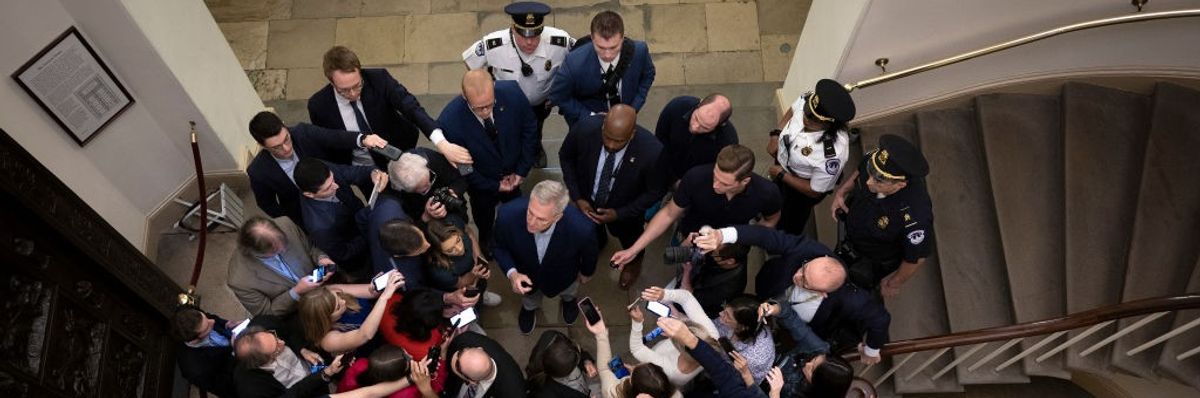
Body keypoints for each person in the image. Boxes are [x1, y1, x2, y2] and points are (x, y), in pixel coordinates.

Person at [696, 224, 890, 364]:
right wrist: (723, 235)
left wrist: (872, 350)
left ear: (823, 293)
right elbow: (765, 236)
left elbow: (880, 319)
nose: (797, 276)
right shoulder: (807, 250)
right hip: (769, 286)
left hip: (792, 326)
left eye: (805, 282)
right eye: (804, 269)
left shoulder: (850, 299)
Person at [611, 145, 782, 288]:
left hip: (728, 249)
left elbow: (771, 220)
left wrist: (738, 241)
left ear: (744, 181)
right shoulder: (696, 177)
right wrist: (634, 249)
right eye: (715, 176)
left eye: (725, 183)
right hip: (688, 238)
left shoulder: (767, 193)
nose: (715, 185)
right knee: (684, 268)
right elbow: (669, 213)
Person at [308, 46, 471, 168]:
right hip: (363, 167)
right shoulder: (318, 106)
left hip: (399, 150)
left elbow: (411, 108)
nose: (352, 94)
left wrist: (441, 143)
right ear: (331, 82)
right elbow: (326, 140)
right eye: (343, 90)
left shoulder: (379, 79)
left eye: (357, 85)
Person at [559, 104, 665, 289]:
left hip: (627, 212)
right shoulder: (584, 129)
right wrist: (577, 197)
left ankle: (633, 261)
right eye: (607, 137)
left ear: (632, 134)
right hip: (587, 201)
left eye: (618, 141)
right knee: (590, 232)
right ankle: (598, 241)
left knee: (631, 237)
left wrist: (621, 213)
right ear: (602, 127)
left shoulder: (653, 152)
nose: (611, 145)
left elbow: (655, 191)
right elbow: (566, 157)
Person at [463, 1, 574, 167]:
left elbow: (579, 59)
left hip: (541, 101)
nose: (530, 42)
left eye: (535, 36)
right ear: (513, 29)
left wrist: (561, 91)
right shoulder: (494, 44)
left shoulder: (559, 41)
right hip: (506, 103)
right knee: (508, 130)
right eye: (523, 36)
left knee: (536, 128)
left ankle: (536, 149)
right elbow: (471, 64)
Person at [438, 70, 537, 255]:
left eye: (489, 105)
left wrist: (522, 170)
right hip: (482, 184)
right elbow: (464, 167)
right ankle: (486, 237)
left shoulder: (513, 93)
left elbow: (530, 129)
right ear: (464, 96)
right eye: (478, 108)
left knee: (516, 211)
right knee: (484, 216)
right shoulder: (450, 122)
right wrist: (493, 185)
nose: (485, 112)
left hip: (514, 172)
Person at [829, 133, 933, 297]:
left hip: (871, 258)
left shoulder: (914, 217)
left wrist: (894, 282)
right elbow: (860, 171)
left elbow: (916, 257)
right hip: (850, 232)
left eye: (878, 182)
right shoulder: (877, 164)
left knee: (856, 287)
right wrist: (842, 192)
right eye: (871, 174)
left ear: (900, 184)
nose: (869, 182)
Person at [247, 111, 388, 228]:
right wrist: (296, 224)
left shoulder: (302, 133)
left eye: (286, 139)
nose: (286, 148)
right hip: (310, 217)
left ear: (284, 125)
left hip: (342, 197)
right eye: (276, 147)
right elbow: (267, 204)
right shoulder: (258, 172)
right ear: (262, 145)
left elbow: (334, 137)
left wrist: (362, 139)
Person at [493, 180, 598, 334]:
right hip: (526, 274)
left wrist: (586, 272)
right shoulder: (507, 214)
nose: (531, 222)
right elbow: (498, 247)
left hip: (565, 275)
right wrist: (513, 273)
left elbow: (589, 254)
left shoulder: (582, 228)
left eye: (541, 219)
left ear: (557, 217)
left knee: (569, 291)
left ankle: (569, 301)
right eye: (530, 212)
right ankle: (529, 308)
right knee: (530, 298)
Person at [767, 79, 856, 236]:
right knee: (774, 196)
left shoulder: (832, 154)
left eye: (811, 119)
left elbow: (815, 190)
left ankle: (780, 239)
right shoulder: (812, 102)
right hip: (783, 165)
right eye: (807, 112)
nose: (804, 117)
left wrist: (782, 175)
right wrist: (776, 134)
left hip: (800, 190)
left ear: (829, 124)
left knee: (790, 219)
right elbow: (794, 109)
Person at [549, 11, 655, 126]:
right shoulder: (574, 62)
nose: (607, 55)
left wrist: (632, 109)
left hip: (626, 123)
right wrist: (590, 116)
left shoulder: (639, 51)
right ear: (592, 38)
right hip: (589, 126)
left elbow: (648, 75)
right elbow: (558, 95)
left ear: (622, 38)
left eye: (613, 47)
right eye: (601, 47)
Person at [293, 158, 389, 276]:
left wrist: (373, 172)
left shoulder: (325, 172)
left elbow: (354, 172)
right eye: (328, 188)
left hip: (361, 218)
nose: (336, 186)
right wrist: (369, 231)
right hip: (360, 257)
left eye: (333, 179)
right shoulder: (319, 227)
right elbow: (344, 253)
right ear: (309, 194)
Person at [227, 216, 337, 316]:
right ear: (255, 252)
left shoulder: (286, 224)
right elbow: (267, 314)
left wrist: (321, 258)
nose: (284, 249)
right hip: (299, 312)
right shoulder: (239, 281)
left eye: (284, 243)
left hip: (326, 286)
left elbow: (311, 248)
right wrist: (296, 292)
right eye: (275, 251)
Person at [629, 286, 719, 388]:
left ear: (680, 349)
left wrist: (637, 322)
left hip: (652, 363)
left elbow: (637, 349)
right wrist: (664, 294)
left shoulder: (669, 370)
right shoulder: (712, 336)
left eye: (676, 337)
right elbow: (687, 298)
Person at [297, 271, 403, 356]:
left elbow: (369, 292)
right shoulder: (328, 341)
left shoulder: (331, 291)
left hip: (385, 323)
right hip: (379, 351)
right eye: (338, 307)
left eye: (338, 296)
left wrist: (376, 286)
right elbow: (365, 335)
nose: (343, 301)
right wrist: (384, 297)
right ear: (326, 318)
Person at [583, 305, 679, 398]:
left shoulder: (613, 393)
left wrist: (601, 334)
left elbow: (604, 369)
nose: (633, 368)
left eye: (632, 374)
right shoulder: (677, 395)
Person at [232, 325, 347, 398]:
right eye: (276, 348)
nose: (281, 342)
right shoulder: (253, 388)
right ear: (264, 360)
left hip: (314, 369)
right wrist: (325, 373)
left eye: (274, 336)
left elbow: (290, 331)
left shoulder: (266, 324)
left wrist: (303, 350)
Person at [655, 94, 738, 188]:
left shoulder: (727, 142)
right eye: (696, 118)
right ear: (700, 103)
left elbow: (714, 172)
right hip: (663, 167)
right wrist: (671, 178)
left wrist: (687, 185)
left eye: (705, 127)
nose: (695, 127)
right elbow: (659, 140)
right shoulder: (677, 107)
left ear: (721, 124)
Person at [424, 218, 501, 306]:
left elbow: (470, 233)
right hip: (461, 287)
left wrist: (478, 257)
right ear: (439, 252)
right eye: (450, 250)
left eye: (458, 240)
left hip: (473, 270)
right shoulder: (438, 270)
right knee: (470, 299)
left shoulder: (456, 222)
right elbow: (461, 283)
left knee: (481, 285)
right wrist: (475, 275)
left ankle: (483, 295)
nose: (460, 249)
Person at [388, 148, 469, 223]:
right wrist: (426, 216)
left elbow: (464, 174)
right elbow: (410, 231)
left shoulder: (430, 158)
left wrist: (454, 192)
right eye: (425, 190)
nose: (431, 185)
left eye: (431, 177)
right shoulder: (396, 198)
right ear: (409, 191)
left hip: (455, 209)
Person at [171, 307, 239, 397]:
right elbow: (226, 387)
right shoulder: (196, 371)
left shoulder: (190, 314)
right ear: (194, 340)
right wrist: (234, 353)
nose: (212, 321)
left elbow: (212, 318)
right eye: (207, 327)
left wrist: (226, 323)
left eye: (206, 318)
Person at [441, 331, 527, 398]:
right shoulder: (465, 340)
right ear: (479, 348)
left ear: (472, 382)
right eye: (462, 351)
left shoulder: (513, 392)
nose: (456, 355)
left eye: (458, 368)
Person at [338, 345, 442, 398]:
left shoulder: (360, 364)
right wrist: (430, 379)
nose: (411, 356)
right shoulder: (408, 393)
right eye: (408, 359)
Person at [714, 294, 775, 385]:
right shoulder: (739, 319)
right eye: (724, 310)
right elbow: (714, 324)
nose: (720, 314)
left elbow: (731, 376)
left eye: (727, 315)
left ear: (742, 327)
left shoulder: (752, 357)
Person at [525, 330, 598, 398]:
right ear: (561, 376)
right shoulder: (546, 393)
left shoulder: (555, 338)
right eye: (574, 365)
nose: (578, 363)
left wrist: (586, 361)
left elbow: (577, 352)